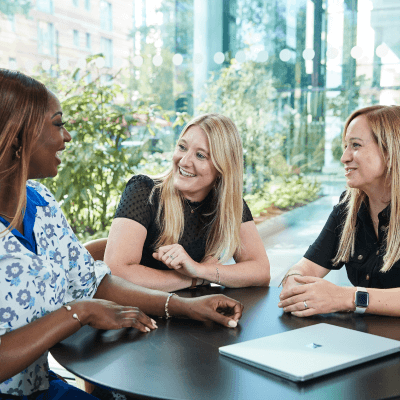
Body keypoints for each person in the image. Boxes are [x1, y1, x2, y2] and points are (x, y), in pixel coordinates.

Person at [0, 69, 244, 399]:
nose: (67, 136)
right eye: (58, 124)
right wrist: (79, 312)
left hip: (41, 386)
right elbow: (89, 298)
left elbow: (95, 282)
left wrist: (186, 307)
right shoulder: (144, 191)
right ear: (19, 137)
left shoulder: (42, 201)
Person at [104, 113, 270, 292]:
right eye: (182, 147)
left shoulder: (227, 205)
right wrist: (193, 280)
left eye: (200, 155)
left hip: (195, 312)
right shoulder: (144, 191)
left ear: (222, 168)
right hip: (139, 313)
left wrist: (199, 269)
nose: (184, 161)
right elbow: (116, 273)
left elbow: (261, 271)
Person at [278, 105, 400, 317]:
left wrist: (345, 297)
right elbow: (305, 267)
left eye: (355, 145)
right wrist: (294, 281)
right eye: (345, 146)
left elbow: (343, 298)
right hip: (363, 340)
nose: (344, 157)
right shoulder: (348, 208)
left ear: (390, 152)